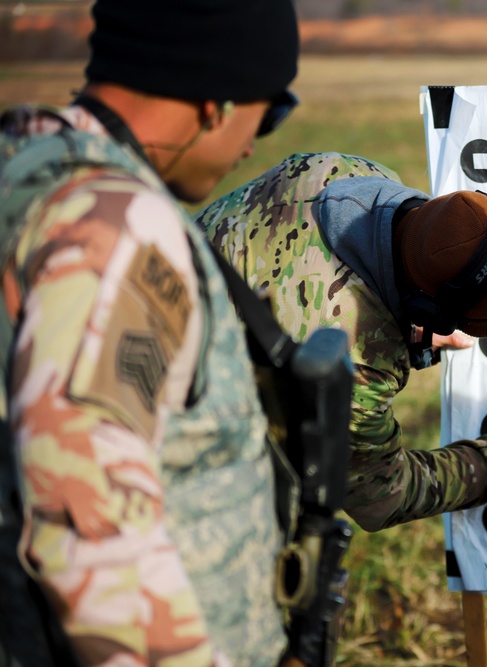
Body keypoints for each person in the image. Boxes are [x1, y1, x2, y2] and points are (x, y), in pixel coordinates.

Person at [0, 0, 301, 665]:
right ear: (216, 101)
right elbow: (88, 512)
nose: (255, 143)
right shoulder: (118, 230)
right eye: (270, 110)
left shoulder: (29, 160)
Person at [196, 152, 487, 532]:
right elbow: (381, 496)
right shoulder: (355, 358)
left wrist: (413, 333)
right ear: (431, 310)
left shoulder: (344, 170)